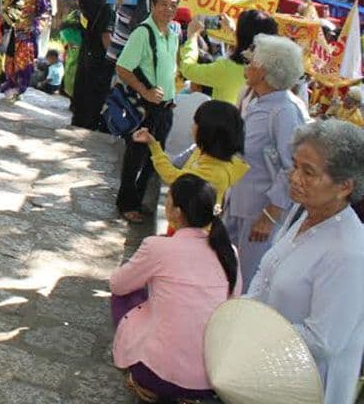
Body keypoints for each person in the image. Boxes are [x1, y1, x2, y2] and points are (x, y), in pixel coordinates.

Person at [248, 119, 364, 404]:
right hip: (269, 364)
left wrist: (253, 331)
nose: (295, 177)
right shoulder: (303, 212)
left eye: (308, 172)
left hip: (307, 384)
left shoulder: (348, 251)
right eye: (296, 166)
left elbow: (323, 341)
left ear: (344, 186)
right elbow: (267, 272)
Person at [110, 174, 240, 402]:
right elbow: (231, 306)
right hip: (209, 382)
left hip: (156, 376)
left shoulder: (158, 247)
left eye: (168, 199)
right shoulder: (230, 253)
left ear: (177, 212)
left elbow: (118, 284)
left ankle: (140, 369)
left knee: (126, 291)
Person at [224, 33, 308, 287]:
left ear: (266, 71)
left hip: (258, 215)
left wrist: (269, 216)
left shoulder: (284, 111)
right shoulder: (258, 102)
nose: (247, 66)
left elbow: (292, 166)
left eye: (253, 63)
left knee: (247, 280)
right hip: (238, 205)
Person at [115, 0, 181, 223]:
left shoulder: (173, 34)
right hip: (146, 107)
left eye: (173, 5)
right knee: (135, 156)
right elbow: (122, 67)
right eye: (163, 4)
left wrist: (171, 97)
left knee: (155, 158)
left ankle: (140, 201)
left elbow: (169, 69)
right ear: (152, 5)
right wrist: (145, 91)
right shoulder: (143, 33)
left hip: (165, 108)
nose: (168, 9)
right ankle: (126, 204)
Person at [132, 99, 248, 208]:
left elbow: (174, 177)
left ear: (208, 132)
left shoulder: (214, 173)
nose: (192, 127)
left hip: (192, 225)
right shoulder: (204, 152)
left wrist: (153, 146)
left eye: (196, 123)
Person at [179, 9, 277, 105]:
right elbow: (250, 43)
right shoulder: (274, 70)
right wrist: (233, 31)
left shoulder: (226, 68)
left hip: (224, 119)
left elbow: (188, 69)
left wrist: (192, 36)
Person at [0, 0, 50, 98]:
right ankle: (10, 83)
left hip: (26, 33)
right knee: (9, 59)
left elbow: (43, 11)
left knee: (23, 62)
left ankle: (20, 88)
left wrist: (35, 26)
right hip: (12, 30)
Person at [70, 0, 115, 129]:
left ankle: (79, 119)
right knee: (95, 92)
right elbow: (105, 36)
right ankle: (91, 122)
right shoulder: (105, 11)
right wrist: (114, 58)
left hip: (86, 54)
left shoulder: (85, 12)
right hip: (100, 59)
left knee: (83, 88)